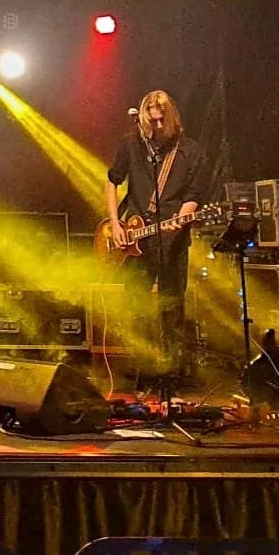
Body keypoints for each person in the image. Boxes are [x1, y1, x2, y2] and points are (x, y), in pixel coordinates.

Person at [103, 89, 209, 384]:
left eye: (163, 120)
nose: (158, 127)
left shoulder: (192, 151)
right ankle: (139, 368)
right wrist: (115, 223)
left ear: (172, 117)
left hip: (172, 240)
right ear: (144, 119)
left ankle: (171, 373)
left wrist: (183, 216)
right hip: (135, 238)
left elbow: (194, 193)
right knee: (135, 304)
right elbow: (112, 182)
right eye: (153, 121)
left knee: (172, 305)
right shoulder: (130, 145)